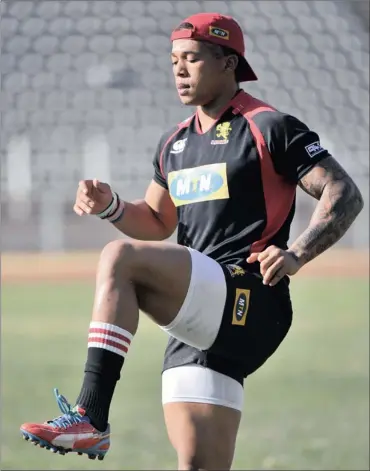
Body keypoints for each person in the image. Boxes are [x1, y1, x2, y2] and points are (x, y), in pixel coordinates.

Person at [20, 12, 364, 470]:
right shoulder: (174, 144)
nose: (179, 70)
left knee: (118, 258)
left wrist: (297, 253)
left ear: (228, 62)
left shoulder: (269, 126)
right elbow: (158, 222)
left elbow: (344, 192)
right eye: (174, 60)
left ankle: (90, 416)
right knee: (198, 466)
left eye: (192, 59)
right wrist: (111, 206)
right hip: (199, 318)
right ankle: (93, 422)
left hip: (249, 297)